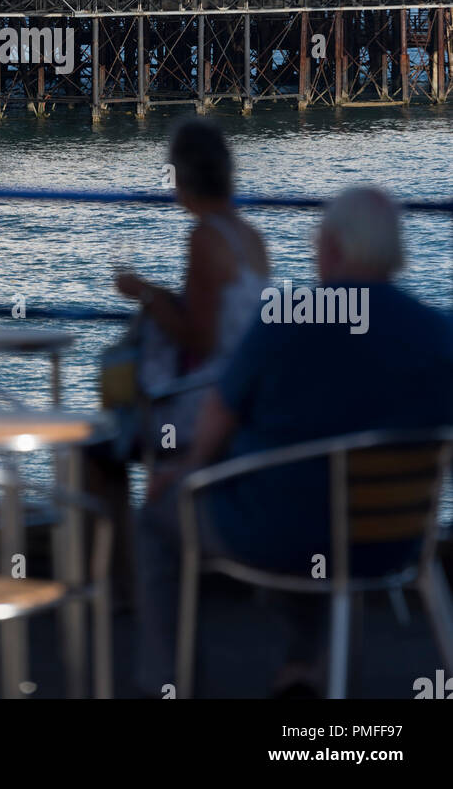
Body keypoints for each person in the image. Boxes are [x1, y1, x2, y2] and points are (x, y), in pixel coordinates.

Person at [135, 185, 453, 697]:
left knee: (158, 517)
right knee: (325, 507)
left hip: (275, 532)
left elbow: (221, 408)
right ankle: (305, 667)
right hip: (393, 543)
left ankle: (169, 684)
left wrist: (185, 469)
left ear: (332, 248)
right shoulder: (439, 332)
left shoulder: (289, 315)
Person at [115, 116, 269, 454]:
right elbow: (216, 308)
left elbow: (200, 340)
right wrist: (159, 294)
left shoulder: (205, 238)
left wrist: (143, 293)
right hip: (245, 394)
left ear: (183, 177)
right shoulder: (252, 238)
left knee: (100, 447)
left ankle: (131, 504)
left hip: (206, 398)